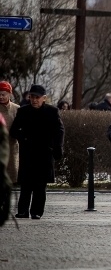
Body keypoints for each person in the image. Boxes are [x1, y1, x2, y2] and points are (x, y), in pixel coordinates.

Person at [11, 84, 65, 219]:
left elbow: (59, 130)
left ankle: (36, 211)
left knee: (40, 185)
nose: (34, 100)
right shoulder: (23, 111)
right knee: (26, 184)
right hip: (28, 151)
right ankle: (23, 210)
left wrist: (57, 146)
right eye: (32, 97)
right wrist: (23, 139)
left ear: (44, 98)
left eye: (37, 97)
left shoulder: (52, 111)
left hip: (45, 152)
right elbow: (14, 130)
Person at [0, 81, 19, 185]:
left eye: (3, 94)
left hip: (12, 148)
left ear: (9, 94)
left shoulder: (17, 109)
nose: (1, 97)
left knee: (11, 179)